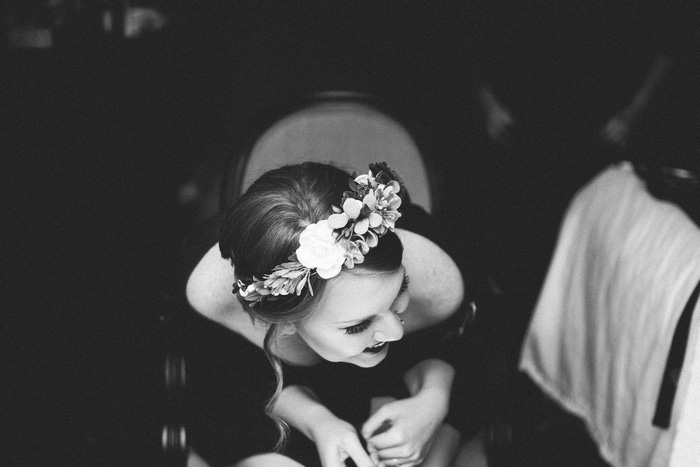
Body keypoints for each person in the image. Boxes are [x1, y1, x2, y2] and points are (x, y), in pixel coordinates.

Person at [184, 161, 489, 467]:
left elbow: (478, 358)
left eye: (400, 291)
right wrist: (316, 421)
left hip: (401, 396)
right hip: (272, 416)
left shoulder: (443, 280)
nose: (395, 331)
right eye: (357, 325)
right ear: (281, 321)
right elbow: (232, 391)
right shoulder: (207, 304)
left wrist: (435, 401)